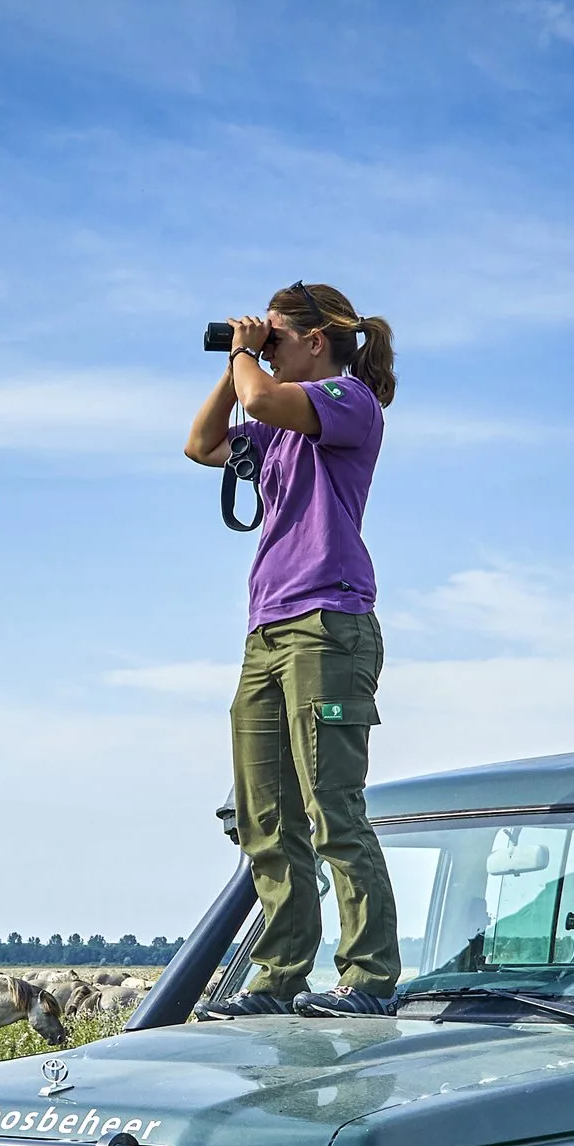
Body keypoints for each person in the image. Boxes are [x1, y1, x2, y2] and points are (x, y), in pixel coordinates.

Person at [183, 282, 401, 1017]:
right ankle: (279, 977)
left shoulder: (346, 402)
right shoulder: (273, 420)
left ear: (315, 340)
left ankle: (368, 976)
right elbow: (202, 445)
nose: (265, 348)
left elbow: (269, 400)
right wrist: (236, 362)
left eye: (279, 335)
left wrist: (250, 353)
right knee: (264, 814)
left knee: (331, 804)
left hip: (328, 623)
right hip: (267, 629)